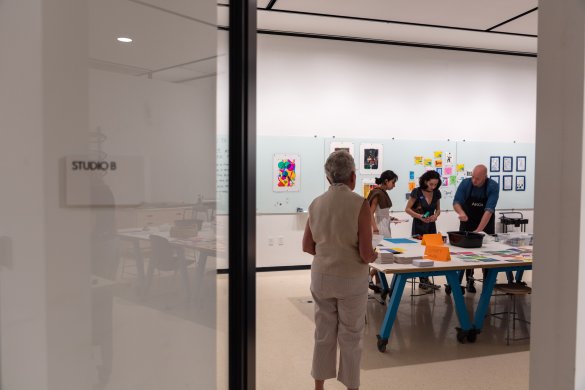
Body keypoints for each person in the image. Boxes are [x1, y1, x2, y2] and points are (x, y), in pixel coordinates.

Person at [302, 150, 378, 390]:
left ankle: (319, 387)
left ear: (328, 178)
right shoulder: (360, 204)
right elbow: (366, 253)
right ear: (353, 177)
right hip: (351, 280)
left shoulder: (316, 203)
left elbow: (307, 245)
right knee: (351, 335)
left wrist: (329, 253)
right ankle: (351, 386)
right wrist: (374, 256)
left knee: (323, 333)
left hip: (321, 277)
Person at [453, 164, 500, 293]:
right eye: (473, 177)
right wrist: (461, 213)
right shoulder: (466, 184)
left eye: (478, 178)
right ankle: (469, 280)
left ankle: (487, 281)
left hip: (485, 223)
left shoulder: (492, 186)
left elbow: (489, 211)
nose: (474, 180)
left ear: (485, 177)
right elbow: (456, 202)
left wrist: (479, 230)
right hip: (467, 221)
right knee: (467, 254)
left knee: (487, 253)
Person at [405, 170, 442, 291]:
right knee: (420, 253)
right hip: (419, 225)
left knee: (430, 252)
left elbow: (438, 210)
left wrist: (435, 216)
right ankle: (423, 280)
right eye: (431, 184)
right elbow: (407, 209)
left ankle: (426, 279)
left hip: (431, 226)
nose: (433, 187)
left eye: (435, 184)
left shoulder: (436, 193)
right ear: (425, 181)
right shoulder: (417, 192)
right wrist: (420, 216)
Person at [366, 170, 398, 293]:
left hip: (384, 225)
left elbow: (382, 212)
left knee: (381, 255)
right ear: (386, 181)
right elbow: (370, 212)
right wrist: (374, 228)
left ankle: (380, 285)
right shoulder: (377, 193)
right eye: (393, 182)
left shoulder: (382, 192)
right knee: (383, 256)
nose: (394, 185)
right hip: (379, 227)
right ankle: (369, 276)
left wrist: (391, 218)